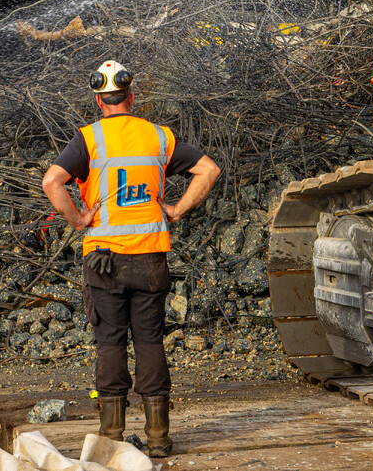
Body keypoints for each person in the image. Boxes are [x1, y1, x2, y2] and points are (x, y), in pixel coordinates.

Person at [42, 60, 221, 457]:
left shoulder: (88, 139)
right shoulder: (158, 136)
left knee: (110, 343)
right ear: (131, 96)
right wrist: (177, 210)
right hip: (150, 259)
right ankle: (158, 438)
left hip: (104, 261)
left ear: (98, 101)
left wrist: (79, 219)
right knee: (150, 341)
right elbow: (209, 170)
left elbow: (51, 182)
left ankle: (111, 438)